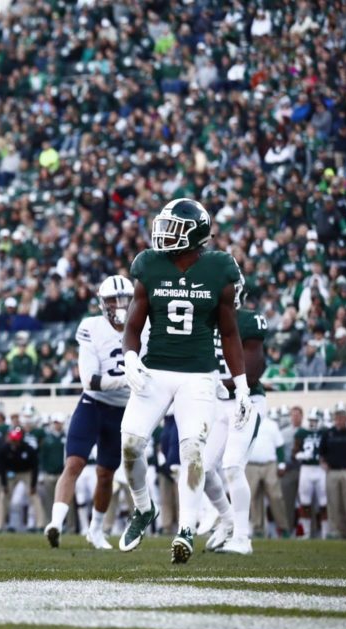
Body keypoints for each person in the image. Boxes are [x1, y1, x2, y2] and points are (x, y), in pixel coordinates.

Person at [118, 198, 249, 564]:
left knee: (193, 452)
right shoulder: (149, 264)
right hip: (155, 370)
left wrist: (240, 386)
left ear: (196, 234)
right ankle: (144, 509)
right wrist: (130, 356)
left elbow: (229, 331)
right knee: (130, 445)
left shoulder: (220, 268)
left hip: (198, 375)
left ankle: (187, 529)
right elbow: (132, 325)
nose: (164, 233)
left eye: (174, 227)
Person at [45, 275, 134, 550]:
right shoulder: (91, 327)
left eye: (124, 300)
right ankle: (56, 523)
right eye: (113, 300)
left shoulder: (144, 327)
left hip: (122, 410)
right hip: (93, 403)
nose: (119, 305)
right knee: (74, 463)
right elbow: (90, 380)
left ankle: (96, 530)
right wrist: (129, 379)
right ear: (101, 303)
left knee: (106, 474)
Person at [200, 274, 268, 555]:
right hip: (219, 404)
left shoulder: (249, 320)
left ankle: (243, 537)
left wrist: (216, 383)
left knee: (231, 466)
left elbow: (252, 373)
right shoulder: (204, 322)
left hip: (246, 399)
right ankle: (227, 520)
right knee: (201, 469)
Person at [246, 410, 289, 538]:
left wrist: (281, 464)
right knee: (253, 498)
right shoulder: (246, 423)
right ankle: (258, 529)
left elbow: (279, 446)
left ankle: (283, 528)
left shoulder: (271, 424)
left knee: (276, 496)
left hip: (269, 464)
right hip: (251, 464)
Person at [319, 403, 346, 539]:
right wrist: (323, 463)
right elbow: (321, 453)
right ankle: (336, 531)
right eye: (337, 416)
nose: (339, 419)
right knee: (334, 504)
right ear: (334, 418)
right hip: (332, 473)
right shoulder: (328, 433)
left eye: (342, 416)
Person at [294, 408, 327, 538]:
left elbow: (330, 450)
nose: (312, 423)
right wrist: (300, 455)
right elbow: (294, 452)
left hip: (320, 469)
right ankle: (306, 533)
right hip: (306, 469)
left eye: (315, 420)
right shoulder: (301, 432)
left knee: (324, 503)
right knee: (305, 502)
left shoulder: (325, 432)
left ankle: (325, 533)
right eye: (311, 420)